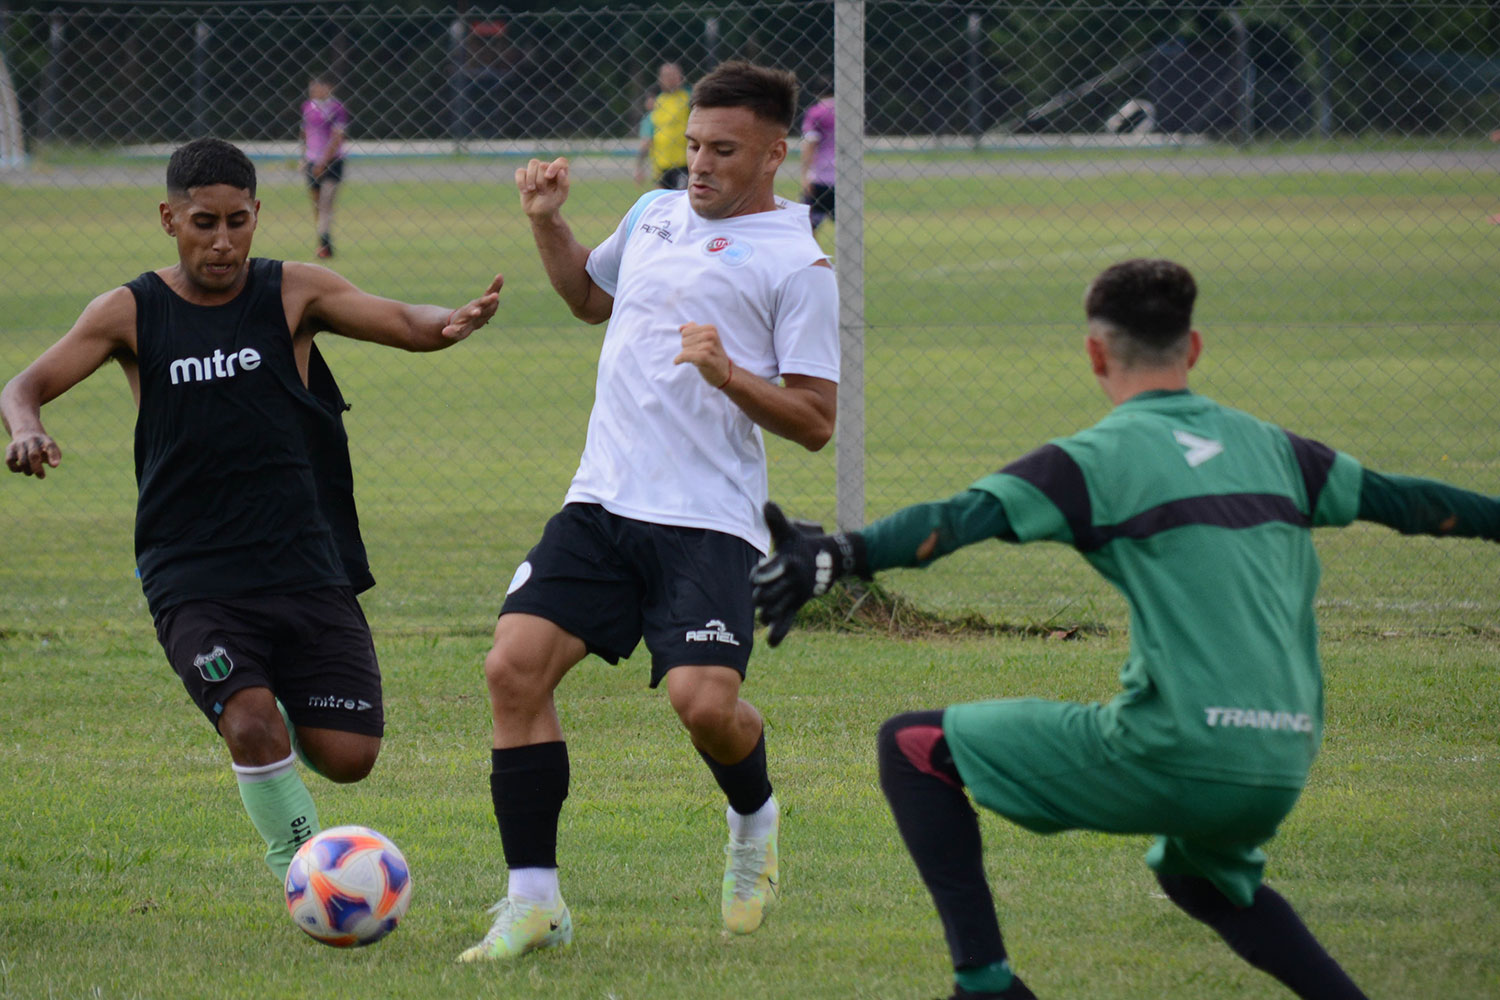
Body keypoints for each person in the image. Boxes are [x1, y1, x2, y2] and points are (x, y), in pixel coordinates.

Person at [751, 258, 1499, 1000]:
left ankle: (986, 988)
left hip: (1180, 746)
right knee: (1199, 880)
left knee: (913, 749)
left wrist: (839, 555)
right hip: (1281, 756)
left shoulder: (1091, 461)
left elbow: (950, 523)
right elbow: (1416, 504)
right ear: (1194, 348)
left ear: (1095, 353)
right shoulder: (1281, 452)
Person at [2, 137, 502, 888]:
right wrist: (27, 428)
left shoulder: (293, 291)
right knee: (248, 718)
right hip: (190, 566)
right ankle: (304, 867)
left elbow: (401, 319)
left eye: (239, 221)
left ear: (259, 215)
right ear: (168, 218)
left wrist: (449, 321)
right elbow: (24, 384)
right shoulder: (130, 311)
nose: (223, 241)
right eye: (204, 222)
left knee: (348, 755)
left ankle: (268, 721)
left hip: (302, 557)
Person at [460, 61, 839, 963]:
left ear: (776, 154)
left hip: (710, 521)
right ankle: (533, 903)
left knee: (703, 705)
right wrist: (549, 224)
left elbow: (817, 422)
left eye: (722, 151)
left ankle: (754, 820)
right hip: (601, 499)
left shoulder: (801, 263)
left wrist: (729, 375)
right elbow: (591, 300)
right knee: (513, 669)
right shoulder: (655, 214)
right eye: (693, 146)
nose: (699, 165)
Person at [301, 76, 348, 258]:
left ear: (329, 88)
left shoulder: (337, 109)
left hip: (333, 162)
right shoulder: (307, 107)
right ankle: (323, 241)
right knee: (317, 205)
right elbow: (304, 132)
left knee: (326, 202)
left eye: (318, 87)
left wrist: (323, 162)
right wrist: (304, 157)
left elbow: (338, 137)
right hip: (311, 160)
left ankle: (324, 245)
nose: (314, 91)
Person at [634, 61, 691, 190]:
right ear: (660, 79)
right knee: (662, 203)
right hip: (661, 167)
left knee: (682, 201)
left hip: (684, 164)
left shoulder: (689, 99)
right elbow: (646, 138)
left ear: (681, 78)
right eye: (666, 76)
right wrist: (639, 167)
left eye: (673, 75)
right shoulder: (655, 103)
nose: (670, 79)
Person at [799, 77, 836, 233]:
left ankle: (815, 257)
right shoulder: (849, 111)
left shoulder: (816, 113)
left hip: (821, 175)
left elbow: (810, 143)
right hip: (845, 177)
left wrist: (805, 174)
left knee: (808, 227)